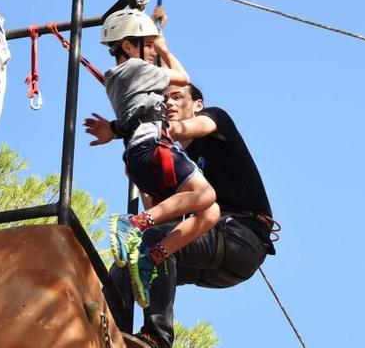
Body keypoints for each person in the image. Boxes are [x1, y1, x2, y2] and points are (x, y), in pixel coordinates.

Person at [85, 82, 276, 348]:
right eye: (164, 101)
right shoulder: (176, 163)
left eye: (177, 98)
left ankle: (156, 338)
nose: (170, 104)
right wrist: (144, 179)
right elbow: (162, 218)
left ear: (198, 105)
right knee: (129, 261)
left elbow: (177, 130)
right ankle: (107, 337)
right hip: (212, 259)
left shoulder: (216, 122)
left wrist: (126, 129)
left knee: (149, 240)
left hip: (241, 237)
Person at [98, 7, 220, 310]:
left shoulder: (119, 76)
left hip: (141, 157)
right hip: (154, 148)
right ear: (127, 45)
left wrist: (152, 33)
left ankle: (153, 258)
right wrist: (165, 47)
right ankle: (135, 224)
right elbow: (182, 79)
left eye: (153, 46)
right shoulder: (137, 69)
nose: (152, 52)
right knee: (205, 194)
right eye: (146, 45)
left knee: (210, 213)